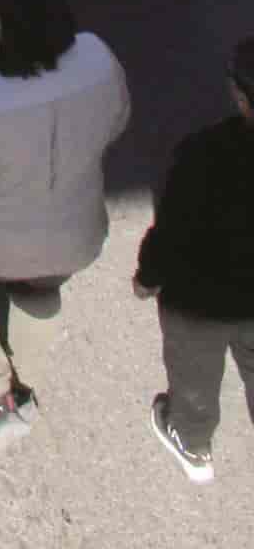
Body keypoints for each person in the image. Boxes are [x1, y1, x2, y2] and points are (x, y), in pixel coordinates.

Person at [0, 0, 131, 453]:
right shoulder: (100, 59)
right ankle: (26, 380)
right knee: (40, 292)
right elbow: (118, 122)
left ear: (2, 31)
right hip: (74, 233)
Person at [136, 33, 254, 485]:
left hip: (200, 301)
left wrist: (148, 276)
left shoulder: (203, 154)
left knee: (194, 382)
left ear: (241, 95)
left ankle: (194, 444)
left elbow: (172, 228)